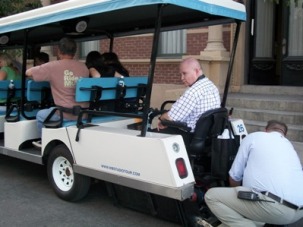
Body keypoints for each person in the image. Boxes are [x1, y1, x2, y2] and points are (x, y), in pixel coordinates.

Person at [205, 120, 303, 227]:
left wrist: (237, 195)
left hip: (274, 208)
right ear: (284, 134)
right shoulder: (288, 145)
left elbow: (235, 176)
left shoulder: (255, 137)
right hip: (299, 212)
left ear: (266, 130)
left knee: (211, 196)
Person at [26, 37, 89, 148]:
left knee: (40, 115)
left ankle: (44, 142)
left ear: (59, 51)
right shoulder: (83, 67)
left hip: (64, 113)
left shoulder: (53, 66)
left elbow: (28, 72)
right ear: (74, 51)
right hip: (83, 113)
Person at [154, 57, 220, 147]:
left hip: (190, 136)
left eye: (184, 73)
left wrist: (161, 119)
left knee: (150, 134)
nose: (182, 78)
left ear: (196, 71)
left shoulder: (193, 91)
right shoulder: (212, 86)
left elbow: (170, 117)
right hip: (206, 137)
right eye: (181, 74)